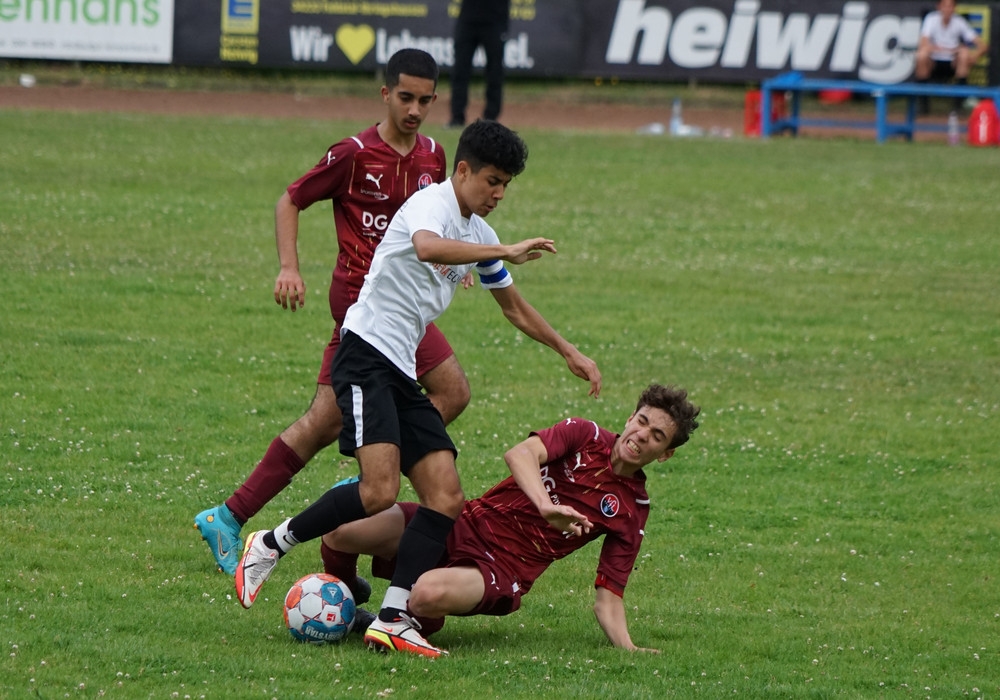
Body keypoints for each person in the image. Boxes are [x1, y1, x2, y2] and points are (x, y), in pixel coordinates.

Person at [233, 119, 603, 659]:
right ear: (463, 170)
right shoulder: (431, 205)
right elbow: (428, 248)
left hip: (399, 367)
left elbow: (514, 308)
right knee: (379, 491)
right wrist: (503, 249)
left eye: (506, 185)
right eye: (493, 181)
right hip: (365, 354)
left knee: (446, 496)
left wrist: (568, 351)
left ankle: (392, 617)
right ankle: (270, 543)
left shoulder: (479, 236)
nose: (499, 194)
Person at [192, 49, 471, 578]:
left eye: (425, 100)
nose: (414, 110)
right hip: (364, 304)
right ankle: (373, 477)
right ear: (384, 94)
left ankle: (229, 516)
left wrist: (458, 263)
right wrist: (288, 267)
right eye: (405, 97)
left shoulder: (435, 156)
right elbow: (290, 200)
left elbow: (440, 223)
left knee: (325, 419)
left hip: (400, 304)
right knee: (451, 390)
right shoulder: (353, 154)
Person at [321, 383, 701, 653]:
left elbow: (609, 595)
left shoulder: (632, 508)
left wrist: (629, 649)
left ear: (665, 454)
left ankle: (416, 620)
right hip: (462, 521)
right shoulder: (585, 435)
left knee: (425, 594)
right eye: (642, 421)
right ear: (631, 416)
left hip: (503, 568)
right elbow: (519, 454)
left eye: (657, 436)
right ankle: (347, 596)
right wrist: (546, 507)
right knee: (340, 530)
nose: (642, 435)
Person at [915, 0, 989, 111]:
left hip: (953, 63)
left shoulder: (959, 22)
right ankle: (923, 104)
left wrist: (974, 57)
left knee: (964, 53)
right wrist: (939, 49)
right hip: (933, 62)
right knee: (921, 55)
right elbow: (923, 44)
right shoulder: (931, 19)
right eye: (945, 6)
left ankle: (958, 104)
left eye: (950, 6)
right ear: (939, 7)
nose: (947, 9)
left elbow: (983, 46)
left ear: (954, 8)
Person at [448, 0, 511, 128]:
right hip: (468, 19)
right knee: (460, 71)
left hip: (495, 20)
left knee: (495, 72)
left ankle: (491, 119)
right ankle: (457, 117)